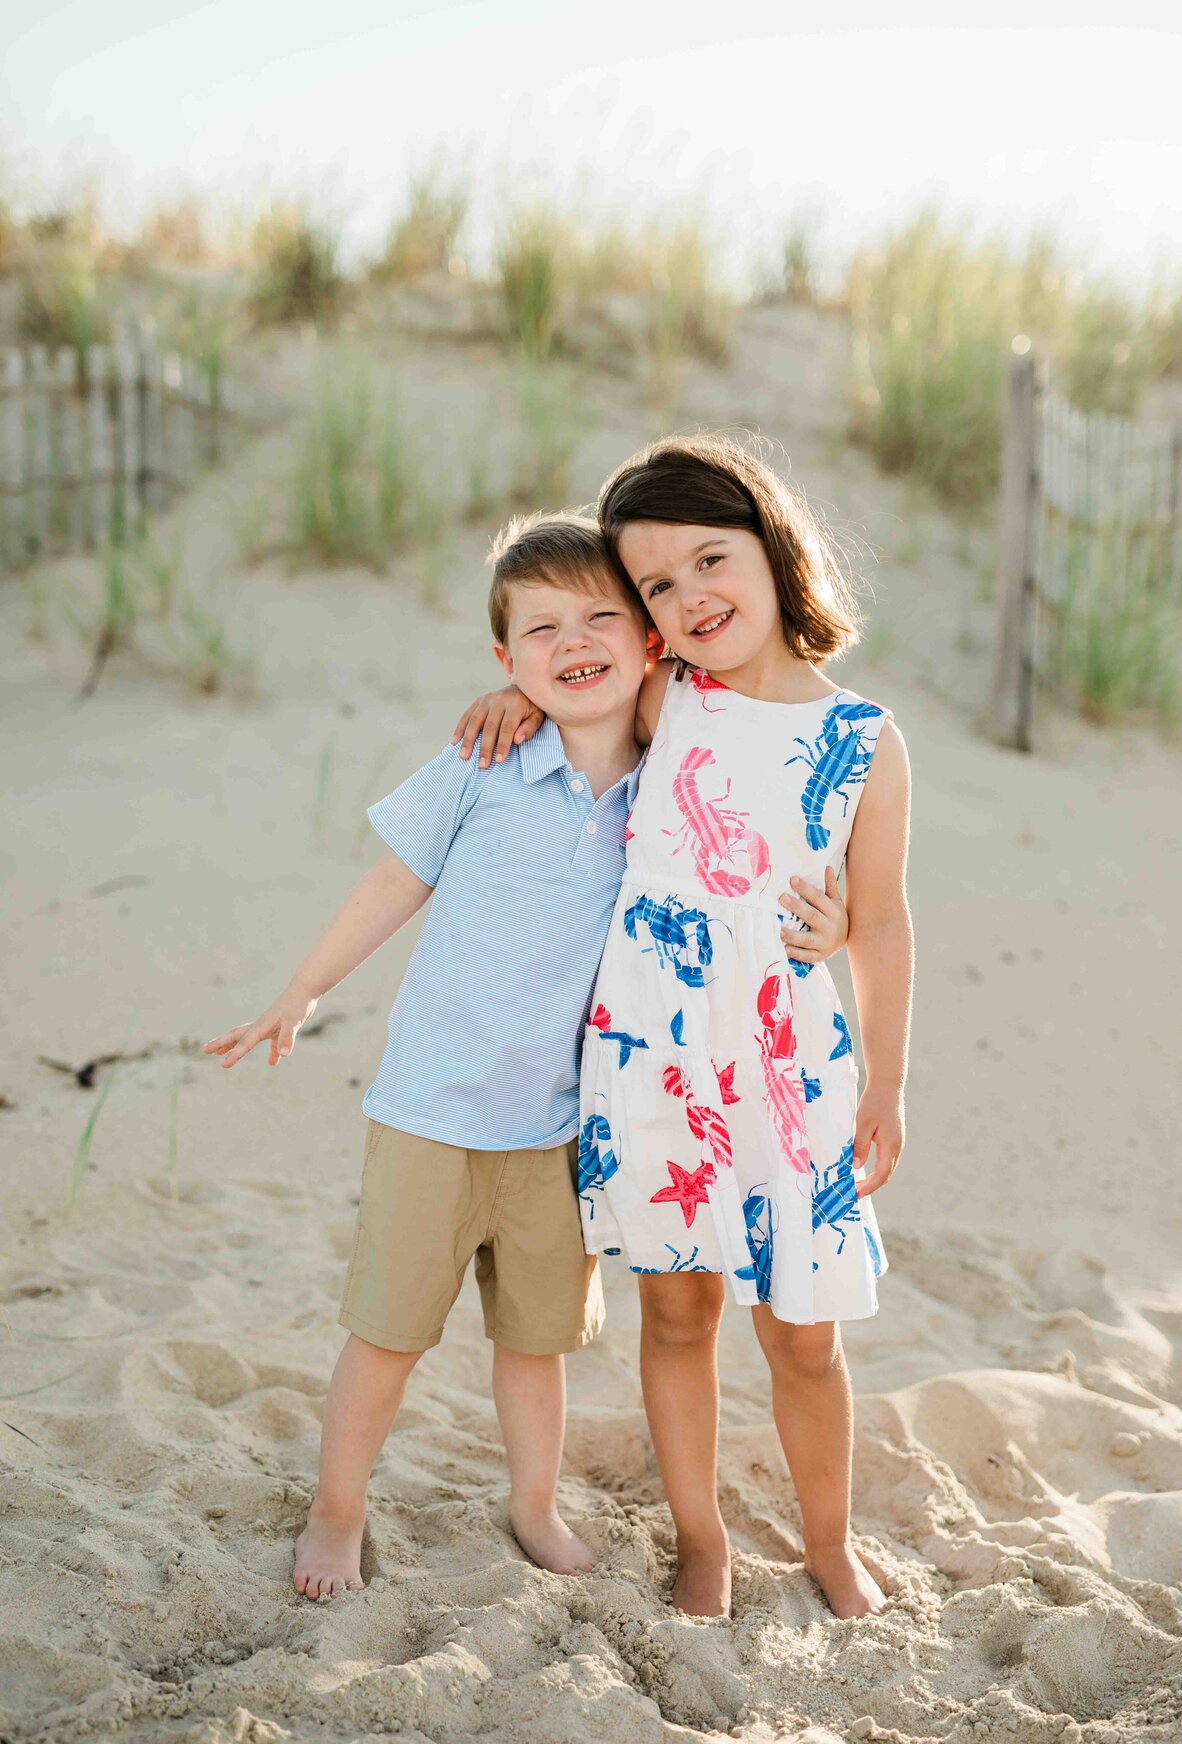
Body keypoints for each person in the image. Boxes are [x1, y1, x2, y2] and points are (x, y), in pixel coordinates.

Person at [202, 509, 849, 1602]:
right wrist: (302, 990)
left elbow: (764, 847)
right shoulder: (483, 761)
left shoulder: (669, 780)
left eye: (602, 616)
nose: (574, 642)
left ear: (651, 639)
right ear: (505, 661)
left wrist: (829, 929)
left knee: (533, 1344)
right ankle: (336, 1509)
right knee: (387, 1335)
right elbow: (392, 884)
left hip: (562, 1124)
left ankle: (534, 1504)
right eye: (540, 631)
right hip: (432, 1114)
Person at [454, 434, 913, 1622]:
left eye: (711, 559)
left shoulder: (864, 737)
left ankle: (829, 1542)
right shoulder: (670, 698)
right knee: (676, 1310)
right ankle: (701, 1539)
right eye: (656, 585)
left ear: (773, 547)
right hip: (658, 1056)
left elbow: (884, 925)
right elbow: (579, 684)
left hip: (791, 1064)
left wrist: (886, 1084)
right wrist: (523, 687)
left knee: (804, 1334)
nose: (690, 597)